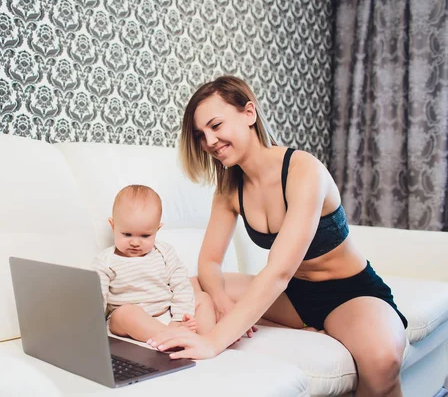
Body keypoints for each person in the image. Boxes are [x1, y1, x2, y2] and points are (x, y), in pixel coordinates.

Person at [146, 76, 408, 397]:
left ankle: (334, 328)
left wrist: (213, 342)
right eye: (201, 135)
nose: (210, 141)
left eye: (216, 125)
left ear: (249, 113)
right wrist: (221, 300)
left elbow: (278, 272)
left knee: (383, 362)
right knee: (194, 282)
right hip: (296, 296)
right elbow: (210, 261)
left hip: (348, 292)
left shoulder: (303, 171)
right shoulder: (229, 190)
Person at [93, 184, 217, 343]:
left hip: (167, 313)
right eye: (127, 234)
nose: (135, 242)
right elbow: (98, 298)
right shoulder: (105, 261)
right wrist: (91, 327)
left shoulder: (165, 252)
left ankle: (206, 339)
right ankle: (174, 336)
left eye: (145, 236)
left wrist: (178, 318)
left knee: (203, 298)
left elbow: (181, 285)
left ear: (157, 230)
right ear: (113, 226)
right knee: (125, 313)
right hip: (130, 319)